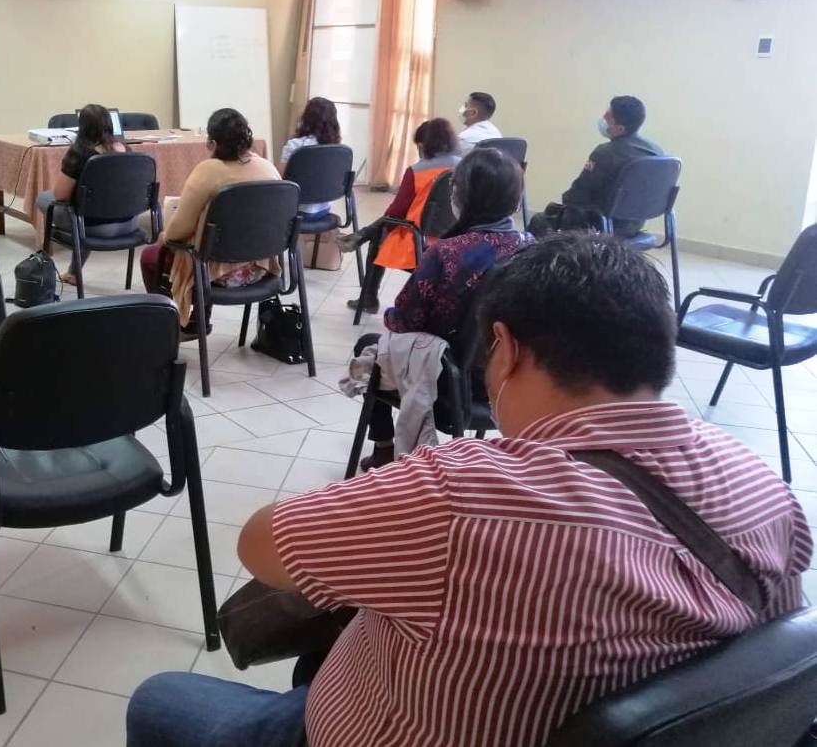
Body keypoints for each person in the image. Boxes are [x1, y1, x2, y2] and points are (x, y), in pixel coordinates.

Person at [127, 233, 812, 747]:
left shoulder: (463, 493)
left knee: (161, 699)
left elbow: (260, 544)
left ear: (505, 349)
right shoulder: (765, 490)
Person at [351, 147, 528, 470]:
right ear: (516, 199)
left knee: (369, 346)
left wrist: (392, 318)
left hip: (452, 381)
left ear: (460, 195)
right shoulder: (531, 250)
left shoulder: (446, 253)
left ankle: (384, 449)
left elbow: (404, 319)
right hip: (515, 379)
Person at [139, 108, 280, 336]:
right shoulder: (268, 168)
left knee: (152, 255)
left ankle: (167, 328)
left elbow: (176, 233)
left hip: (214, 276)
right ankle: (197, 319)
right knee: (210, 243)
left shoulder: (208, 171)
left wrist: (165, 235)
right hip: (261, 270)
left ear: (212, 143)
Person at [336, 118, 463, 314]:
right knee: (384, 227)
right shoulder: (466, 167)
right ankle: (363, 234)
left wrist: (380, 229)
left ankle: (369, 297)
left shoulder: (417, 171)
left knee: (380, 237)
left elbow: (397, 212)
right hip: (458, 242)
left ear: (422, 146)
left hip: (420, 243)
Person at [34, 103, 140, 286]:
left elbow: (60, 195)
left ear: (82, 128)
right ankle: (74, 273)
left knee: (46, 199)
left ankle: (53, 267)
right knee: (85, 209)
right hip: (129, 224)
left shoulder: (80, 153)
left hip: (93, 228)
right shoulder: (127, 151)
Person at [528, 95, 663, 238]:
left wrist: (564, 203)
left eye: (608, 116)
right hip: (634, 225)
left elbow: (576, 196)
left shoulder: (605, 153)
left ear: (620, 128)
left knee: (539, 221)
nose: (603, 117)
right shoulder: (657, 152)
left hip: (600, 225)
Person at [280, 96, 342, 220]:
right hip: (324, 209)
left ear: (305, 118)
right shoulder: (339, 150)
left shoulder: (294, 146)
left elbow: (281, 180)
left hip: (296, 212)